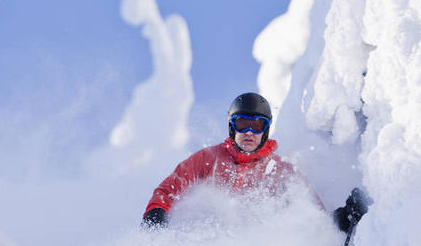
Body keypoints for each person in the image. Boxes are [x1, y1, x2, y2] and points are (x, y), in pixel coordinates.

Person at [141, 91, 368, 230]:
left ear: (266, 130)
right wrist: (157, 211)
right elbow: (171, 187)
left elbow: (312, 214)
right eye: (242, 124)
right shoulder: (208, 159)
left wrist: (342, 218)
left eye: (257, 125)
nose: (249, 131)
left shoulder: (280, 170)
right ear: (232, 127)